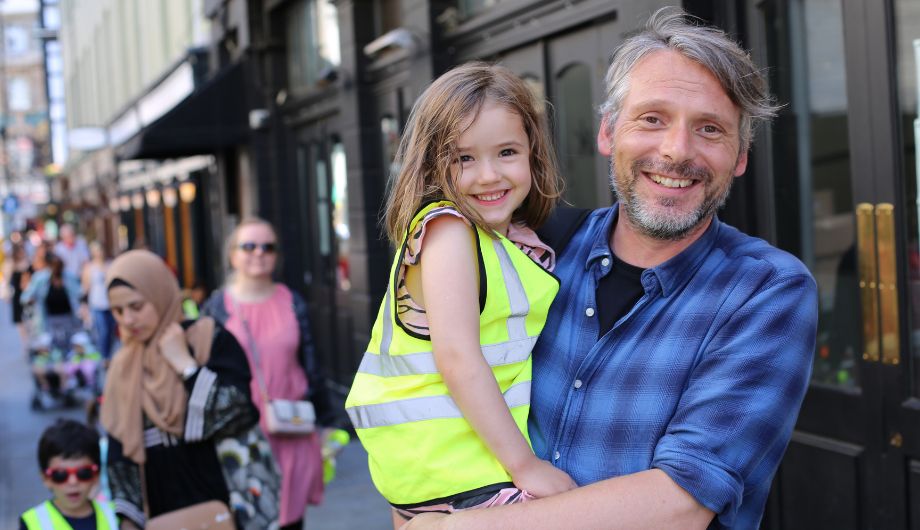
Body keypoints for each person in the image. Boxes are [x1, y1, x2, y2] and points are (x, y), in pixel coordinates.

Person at [404, 8, 818, 530]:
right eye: (652, 118)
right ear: (607, 132)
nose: (675, 150)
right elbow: (435, 376)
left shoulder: (765, 290)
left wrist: (453, 528)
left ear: (740, 156)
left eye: (710, 129)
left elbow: (680, 503)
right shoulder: (536, 254)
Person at [345, 62, 576, 526]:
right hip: (457, 471)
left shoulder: (498, 239)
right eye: (463, 158)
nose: (488, 175)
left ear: (533, 150)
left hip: (453, 467)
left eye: (506, 152)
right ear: (431, 164)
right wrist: (526, 467)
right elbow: (458, 357)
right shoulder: (449, 231)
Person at [99, 250, 267, 529]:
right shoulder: (122, 367)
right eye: (118, 311)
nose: (128, 319)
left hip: (228, 506)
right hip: (161, 513)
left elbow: (240, 411)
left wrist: (185, 366)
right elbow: (120, 454)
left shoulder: (208, 339)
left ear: (159, 294)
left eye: (136, 306)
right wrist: (128, 520)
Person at [202, 218, 324, 530]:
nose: (259, 253)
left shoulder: (292, 301)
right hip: (241, 434)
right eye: (249, 246)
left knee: (290, 519)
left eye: (267, 247)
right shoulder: (216, 307)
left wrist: (319, 419)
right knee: (249, 517)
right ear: (233, 255)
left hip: (290, 427)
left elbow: (311, 363)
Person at [19, 418, 118, 529]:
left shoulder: (115, 516)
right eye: (60, 475)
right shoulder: (32, 522)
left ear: (96, 474)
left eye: (83, 473)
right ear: (45, 478)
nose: (73, 482)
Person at [21, 253, 83, 354]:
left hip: (69, 319)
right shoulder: (41, 278)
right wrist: (31, 299)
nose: (57, 269)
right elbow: (25, 297)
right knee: (52, 351)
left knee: (71, 350)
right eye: (54, 266)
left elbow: (79, 293)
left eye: (59, 266)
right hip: (49, 320)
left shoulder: (68, 276)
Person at [81, 242, 116, 361]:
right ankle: (104, 356)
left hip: (111, 303)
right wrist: (84, 307)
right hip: (97, 303)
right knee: (103, 331)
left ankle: (109, 354)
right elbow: (85, 288)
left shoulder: (110, 264)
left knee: (111, 331)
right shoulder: (89, 267)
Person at [4, 242, 32, 354]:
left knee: (31, 319)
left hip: (29, 295)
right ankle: (25, 343)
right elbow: (6, 281)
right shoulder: (11, 263)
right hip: (18, 296)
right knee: (20, 321)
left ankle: (32, 341)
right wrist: (7, 294)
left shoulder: (28, 261)